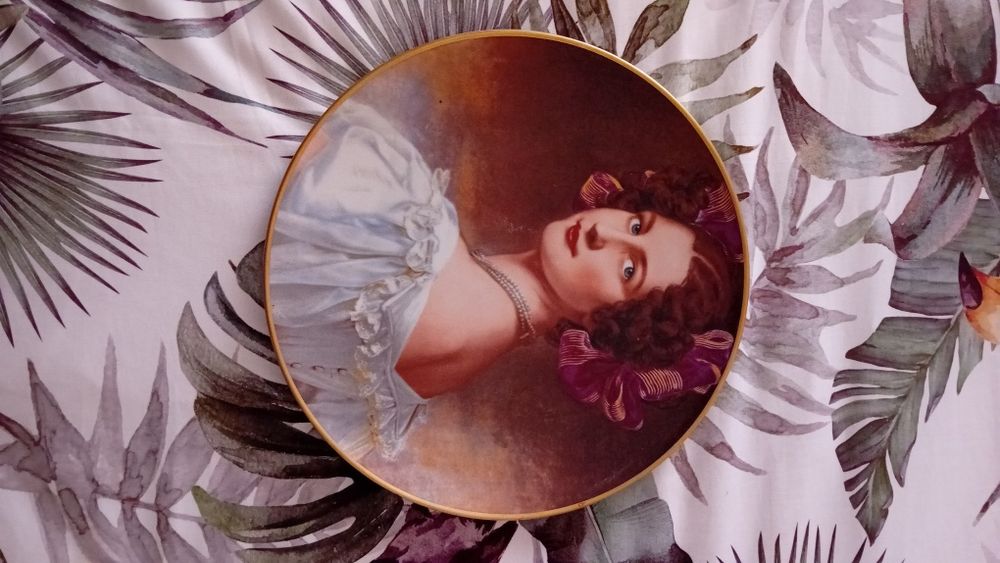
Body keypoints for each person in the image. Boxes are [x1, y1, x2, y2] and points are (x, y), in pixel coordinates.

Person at [269, 99, 740, 459]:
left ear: (611, 322)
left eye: (629, 269)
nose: (605, 234)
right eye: (636, 225)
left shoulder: (431, 262)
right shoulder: (472, 323)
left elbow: (273, 146)